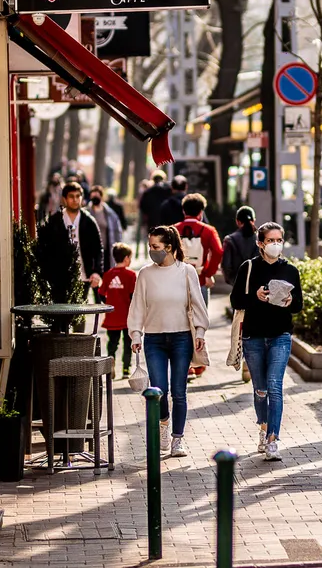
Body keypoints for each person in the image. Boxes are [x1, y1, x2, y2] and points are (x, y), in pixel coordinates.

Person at [128, 226, 209, 457]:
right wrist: (135, 334)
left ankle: (178, 439)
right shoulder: (145, 274)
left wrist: (201, 332)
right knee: (159, 389)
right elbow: (137, 306)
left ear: (170, 247)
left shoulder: (186, 272)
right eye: (150, 246)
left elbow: (197, 303)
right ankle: (163, 425)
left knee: (179, 391)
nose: (152, 251)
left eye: (156, 247)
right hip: (154, 340)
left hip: (182, 338)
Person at [230, 222, 303, 461]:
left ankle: (273, 439)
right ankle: (262, 427)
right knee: (260, 390)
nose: (275, 245)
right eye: (270, 240)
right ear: (260, 243)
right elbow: (235, 300)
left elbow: (299, 305)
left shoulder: (290, 270)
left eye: (279, 240)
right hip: (253, 337)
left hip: (280, 336)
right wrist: (256, 296)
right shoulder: (249, 267)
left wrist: (290, 300)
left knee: (274, 386)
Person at [37, 182, 104, 297]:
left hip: (84, 277)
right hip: (59, 278)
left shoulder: (89, 222)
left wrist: (97, 272)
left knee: (80, 311)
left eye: (78, 196)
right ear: (64, 199)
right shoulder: (54, 221)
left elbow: (98, 249)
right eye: (71, 197)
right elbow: (44, 248)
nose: (75, 200)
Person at [174, 193, 223, 308]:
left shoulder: (174, 229)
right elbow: (218, 252)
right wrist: (209, 273)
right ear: (201, 212)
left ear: (184, 211)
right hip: (200, 278)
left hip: (177, 280)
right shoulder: (208, 231)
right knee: (200, 320)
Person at [97, 243, 137, 378]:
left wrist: (109, 304)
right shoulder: (131, 275)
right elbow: (133, 296)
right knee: (128, 343)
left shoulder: (108, 274)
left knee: (112, 342)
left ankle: (110, 363)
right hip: (127, 317)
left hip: (112, 316)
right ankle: (126, 369)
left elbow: (101, 293)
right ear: (126, 259)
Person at [86, 185, 124, 278]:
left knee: (106, 275)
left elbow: (117, 231)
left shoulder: (110, 214)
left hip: (107, 249)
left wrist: (118, 248)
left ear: (101, 197)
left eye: (97, 196)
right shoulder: (86, 213)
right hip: (91, 250)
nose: (95, 198)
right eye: (93, 196)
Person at [221, 206, 259, 292]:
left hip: (237, 285)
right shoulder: (261, 240)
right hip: (257, 286)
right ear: (254, 220)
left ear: (237, 221)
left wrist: (233, 281)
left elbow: (226, 265)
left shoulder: (229, 240)